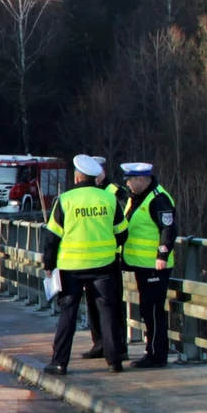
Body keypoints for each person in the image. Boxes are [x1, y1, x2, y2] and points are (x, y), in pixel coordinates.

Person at [43, 155, 128, 375]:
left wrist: (49, 264)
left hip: (71, 268)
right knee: (108, 313)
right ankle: (114, 361)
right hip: (104, 266)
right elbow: (122, 233)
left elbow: (52, 237)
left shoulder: (65, 200)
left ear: (77, 176)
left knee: (67, 315)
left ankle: (60, 362)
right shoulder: (108, 200)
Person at [119, 162, 178, 368]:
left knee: (153, 311)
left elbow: (168, 229)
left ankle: (156, 355)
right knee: (147, 309)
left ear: (142, 180)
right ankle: (152, 352)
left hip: (155, 266)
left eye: (130, 180)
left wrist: (162, 255)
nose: (128, 183)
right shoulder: (137, 198)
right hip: (141, 265)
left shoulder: (158, 199)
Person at [80, 156, 129, 360]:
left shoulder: (116, 193)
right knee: (92, 304)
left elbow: (123, 226)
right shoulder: (86, 193)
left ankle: (118, 348)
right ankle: (99, 344)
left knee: (112, 305)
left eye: (97, 171)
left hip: (110, 258)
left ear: (103, 171)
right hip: (88, 258)